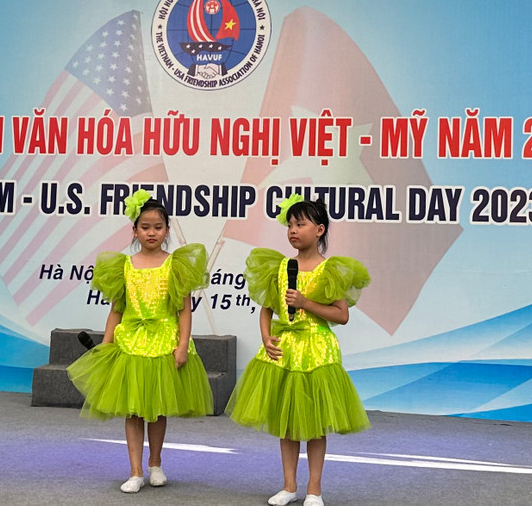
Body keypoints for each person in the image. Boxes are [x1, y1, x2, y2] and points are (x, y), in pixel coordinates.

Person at [226, 195, 371, 506]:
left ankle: (314, 489)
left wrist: (307, 304)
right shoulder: (280, 268)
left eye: (300, 224)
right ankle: (289, 485)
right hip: (285, 350)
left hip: (316, 352)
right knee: (286, 420)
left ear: (319, 230)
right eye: (290, 225)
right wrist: (266, 337)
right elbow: (266, 309)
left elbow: (341, 315)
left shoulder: (329, 270)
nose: (293, 230)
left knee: (315, 423)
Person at [67, 190, 213, 494]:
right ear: (134, 230)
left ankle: (155, 463)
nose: (151, 232)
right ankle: (134, 471)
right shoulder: (124, 266)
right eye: (145, 227)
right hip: (131, 343)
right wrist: (106, 345)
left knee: (158, 408)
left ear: (167, 231)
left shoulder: (176, 265)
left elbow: (184, 310)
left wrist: (183, 344)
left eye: (158, 227)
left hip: (163, 341)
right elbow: (116, 310)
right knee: (133, 410)